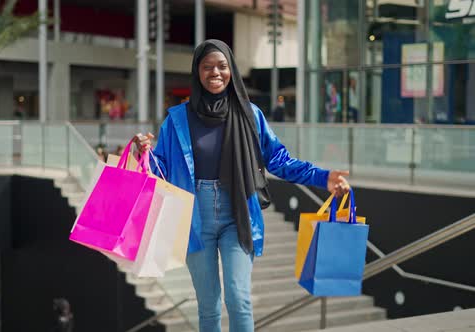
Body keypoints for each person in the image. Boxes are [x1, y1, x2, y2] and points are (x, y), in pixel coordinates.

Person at [133, 39, 350, 332]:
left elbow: (279, 160)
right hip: (195, 219)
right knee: (208, 306)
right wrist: (142, 153)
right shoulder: (176, 121)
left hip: (238, 215)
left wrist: (323, 177)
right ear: (197, 72)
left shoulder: (250, 115)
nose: (215, 72)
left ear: (232, 70)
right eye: (207, 66)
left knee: (239, 298)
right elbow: (160, 169)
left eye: (222, 66)